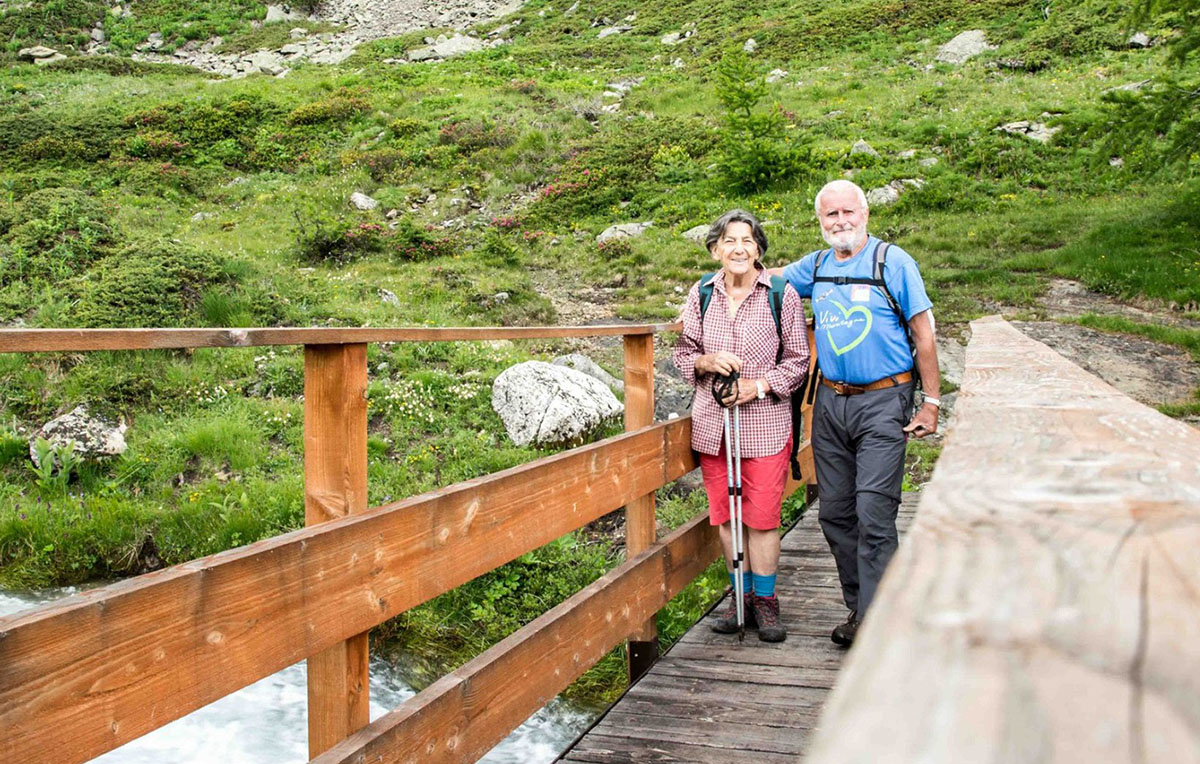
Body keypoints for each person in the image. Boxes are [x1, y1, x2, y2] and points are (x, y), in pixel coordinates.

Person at [776, 179, 939, 647]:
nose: (841, 221)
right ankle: (861, 606)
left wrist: (931, 402)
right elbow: (766, 279)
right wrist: (716, 284)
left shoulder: (893, 262)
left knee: (873, 510)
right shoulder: (818, 265)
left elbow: (923, 334)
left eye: (849, 212)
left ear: (865, 214)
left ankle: (878, 620)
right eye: (831, 214)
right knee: (836, 513)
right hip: (829, 401)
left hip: (884, 400)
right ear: (820, 221)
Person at [673, 209, 810, 642]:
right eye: (729, 241)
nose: (738, 248)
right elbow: (681, 355)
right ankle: (740, 595)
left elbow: (798, 361)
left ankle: (766, 604)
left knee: (763, 516)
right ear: (715, 249)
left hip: (765, 425)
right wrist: (706, 361)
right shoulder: (702, 294)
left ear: (758, 250)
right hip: (715, 425)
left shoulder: (780, 294)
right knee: (726, 514)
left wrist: (758, 385)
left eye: (747, 240)